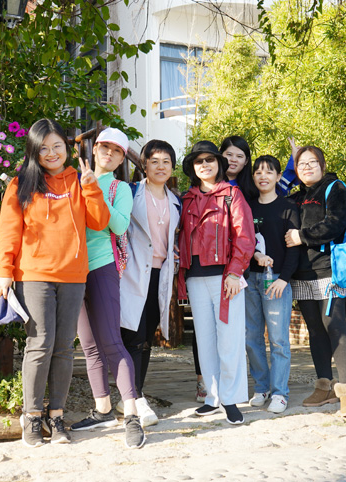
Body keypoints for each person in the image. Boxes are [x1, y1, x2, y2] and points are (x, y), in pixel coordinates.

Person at [0, 118, 110, 448]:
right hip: (34, 275)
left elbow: (99, 221)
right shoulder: (21, 183)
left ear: (67, 147)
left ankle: (56, 416)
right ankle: (32, 416)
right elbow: (8, 230)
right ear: (34, 150)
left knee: (63, 347)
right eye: (43, 147)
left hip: (73, 275)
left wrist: (91, 186)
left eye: (57, 145)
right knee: (40, 342)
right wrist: (4, 269)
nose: (51, 153)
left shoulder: (79, 181)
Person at [69, 128, 145, 449]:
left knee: (112, 342)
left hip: (102, 265)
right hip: (73, 268)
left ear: (122, 158)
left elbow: (120, 224)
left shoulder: (119, 188)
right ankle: (102, 409)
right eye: (105, 147)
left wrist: (94, 190)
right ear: (95, 148)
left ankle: (132, 415)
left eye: (117, 151)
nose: (109, 154)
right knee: (88, 345)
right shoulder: (72, 180)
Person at [178, 140, 255, 425]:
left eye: (209, 160)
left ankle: (231, 399)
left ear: (218, 164)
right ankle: (212, 398)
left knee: (230, 340)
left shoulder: (232, 195)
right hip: (195, 277)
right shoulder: (186, 199)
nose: (204, 165)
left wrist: (235, 272)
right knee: (205, 340)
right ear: (193, 168)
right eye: (199, 161)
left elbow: (245, 236)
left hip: (226, 278)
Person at [285, 145, 346, 417]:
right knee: (315, 330)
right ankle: (324, 386)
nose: (306, 167)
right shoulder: (295, 197)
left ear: (322, 165)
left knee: (335, 325)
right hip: (302, 273)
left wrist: (301, 236)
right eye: (301, 163)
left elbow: (336, 224)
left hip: (329, 269)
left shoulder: (334, 188)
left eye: (312, 162)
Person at [119, 140, 181, 428]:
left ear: (172, 167)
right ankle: (135, 398)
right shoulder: (131, 193)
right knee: (133, 335)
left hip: (160, 276)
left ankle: (133, 394)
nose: (160, 166)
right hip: (134, 274)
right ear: (144, 165)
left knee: (146, 338)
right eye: (154, 161)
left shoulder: (175, 200)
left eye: (166, 161)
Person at [245, 155, 299, 414]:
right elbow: (242, 242)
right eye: (258, 172)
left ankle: (280, 393)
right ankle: (262, 387)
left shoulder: (288, 207)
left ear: (279, 176)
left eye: (269, 171)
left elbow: (294, 249)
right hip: (250, 280)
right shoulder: (247, 207)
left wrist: (283, 279)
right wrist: (255, 255)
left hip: (276, 280)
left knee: (278, 340)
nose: (263, 176)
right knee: (251, 338)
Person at [221, 135, 258, 201]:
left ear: (246, 161)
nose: (233, 160)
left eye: (239, 156)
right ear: (221, 155)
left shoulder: (253, 191)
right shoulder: (208, 184)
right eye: (229, 154)